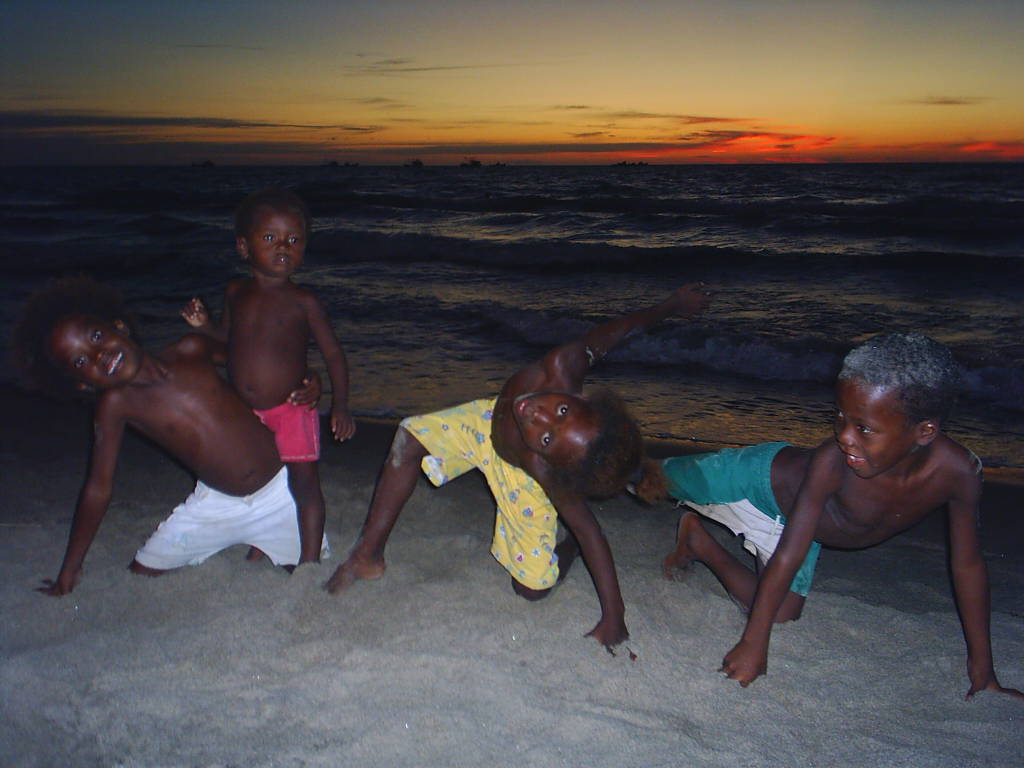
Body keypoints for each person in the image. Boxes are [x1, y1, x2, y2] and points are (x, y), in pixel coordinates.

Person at [325, 284, 711, 650]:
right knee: (408, 439)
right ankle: (366, 556)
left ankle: (566, 550)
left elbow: (590, 531)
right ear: (581, 397)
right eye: (562, 410)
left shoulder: (546, 470)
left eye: (547, 438)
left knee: (531, 589)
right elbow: (618, 331)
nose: (538, 415)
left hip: (520, 475)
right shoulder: (562, 365)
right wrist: (671, 306)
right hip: (487, 422)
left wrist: (615, 616)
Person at [651, 332, 1022, 700]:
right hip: (752, 480)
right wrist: (753, 642)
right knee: (646, 478)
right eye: (840, 417)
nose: (844, 436)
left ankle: (698, 541)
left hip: (801, 524)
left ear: (924, 431)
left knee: (782, 612)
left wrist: (983, 670)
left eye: (864, 428)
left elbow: (968, 565)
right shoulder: (831, 461)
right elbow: (790, 554)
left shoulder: (959, 473)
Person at [13, 276, 326, 596]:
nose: (98, 355)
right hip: (217, 504)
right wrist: (71, 568)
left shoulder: (191, 349)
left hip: (282, 492)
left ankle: (262, 541)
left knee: (306, 568)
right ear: (83, 384)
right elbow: (98, 487)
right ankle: (251, 540)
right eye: (80, 361)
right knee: (141, 572)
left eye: (95, 336)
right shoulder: (116, 405)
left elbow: (259, 366)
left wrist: (307, 377)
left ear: (119, 326)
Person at [182, 187, 354, 565]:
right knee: (260, 480)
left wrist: (340, 404)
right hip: (243, 411)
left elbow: (333, 353)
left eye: (294, 239)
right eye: (270, 237)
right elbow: (228, 340)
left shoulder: (304, 301)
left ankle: (309, 560)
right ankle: (263, 541)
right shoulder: (235, 292)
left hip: (291, 409)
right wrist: (204, 324)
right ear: (244, 247)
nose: (283, 247)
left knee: (304, 484)